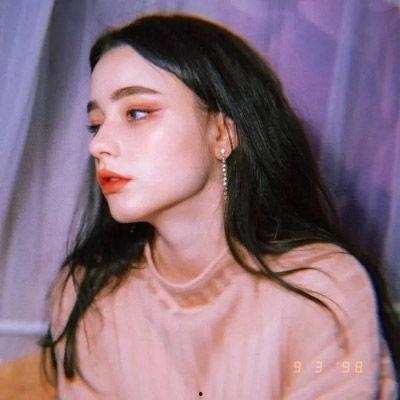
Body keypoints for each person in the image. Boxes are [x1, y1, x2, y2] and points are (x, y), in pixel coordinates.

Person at [39, 12, 399, 399]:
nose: (98, 145)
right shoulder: (86, 294)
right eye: (96, 124)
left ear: (222, 134)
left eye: (136, 113)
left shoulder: (323, 288)